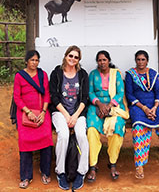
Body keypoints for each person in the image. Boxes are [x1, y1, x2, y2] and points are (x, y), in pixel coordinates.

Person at [125, 50, 159, 179]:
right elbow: (130, 94)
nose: (140, 62)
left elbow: (158, 93)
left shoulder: (153, 74)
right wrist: (144, 109)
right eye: (138, 59)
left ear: (147, 61)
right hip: (138, 106)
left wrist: (154, 108)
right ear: (135, 61)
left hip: (155, 106)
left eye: (143, 59)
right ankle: (139, 165)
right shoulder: (131, 75)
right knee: (138, 129)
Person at [49, 45, 89, 191]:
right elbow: (53, 96)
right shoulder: (57, 73)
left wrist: (75, 115)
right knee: (64, 135)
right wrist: (66, 115)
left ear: (79, 60)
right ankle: (61, 172)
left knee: (81, 135)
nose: (72, 59)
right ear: (66, 56)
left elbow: (85, 97)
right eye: (70, 56)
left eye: (76, 57)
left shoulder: (83, 74)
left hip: (78, 112)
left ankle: (81, 172)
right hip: (60, 112)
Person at [86, 50, 128, 182]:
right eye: (99, 60)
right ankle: (92, 165)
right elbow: (90, 92)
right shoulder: (92, 74)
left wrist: (108, 106)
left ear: (108, 60)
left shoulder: (116, 74)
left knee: (117, 128)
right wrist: (99, 104)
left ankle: (113, 163)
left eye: (104, 60)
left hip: (113, 107)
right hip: (96, 106)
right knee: (92, 130)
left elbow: (120, 93)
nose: (102, 62)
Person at [13, 50, 52, 189]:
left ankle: (45, 172)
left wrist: (43, 112)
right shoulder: (19, 76)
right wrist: (28, 112)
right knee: (25, 142)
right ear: (26, 61)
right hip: (25, 114)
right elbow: (17, 97)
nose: (34, 63)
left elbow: (47, 95)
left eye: (37, 60)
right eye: (32, 60)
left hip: (42, 113)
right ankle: (26, 176)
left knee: (47, 139)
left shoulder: (43, 74)